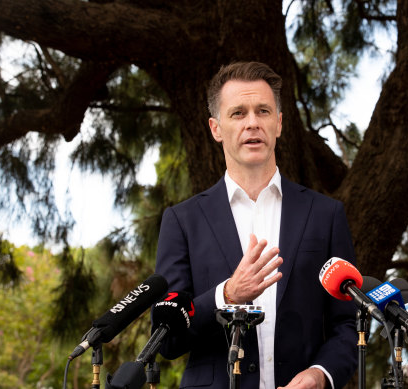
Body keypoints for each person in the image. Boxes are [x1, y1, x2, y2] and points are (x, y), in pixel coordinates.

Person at [153, 61, 358, 389]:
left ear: (278, 124)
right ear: (215, 128)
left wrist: (321, 374)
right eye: (238, 113)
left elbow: (348, 325)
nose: (252, 123)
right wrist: (227, 294)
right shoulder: (181, 221)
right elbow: (166, 338)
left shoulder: (325, 215)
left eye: (263, 111)